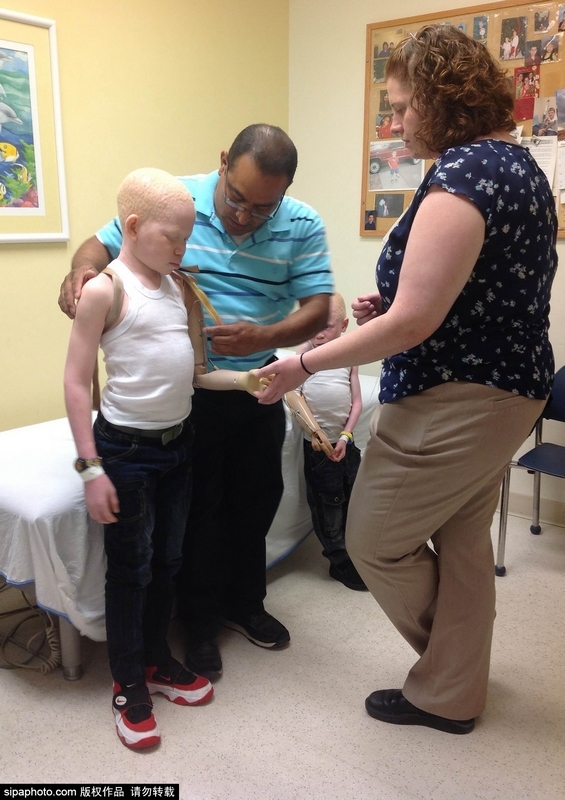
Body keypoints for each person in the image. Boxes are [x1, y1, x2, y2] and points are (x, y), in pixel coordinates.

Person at [254, 24, 557, 735]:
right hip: (508, 385)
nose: (394, 124)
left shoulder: (463, 175)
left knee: (373, 539)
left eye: (399, 107)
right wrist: (390, 305)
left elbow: (416, 322)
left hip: (459, 393)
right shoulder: (514, 165)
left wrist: (303, 362)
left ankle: (449, 677)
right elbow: (466, 293)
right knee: (461, 539)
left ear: (438, 99)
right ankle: (456, 689)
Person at [59, 124, 333, 682]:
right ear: (224, 162)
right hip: (187, 400)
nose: (243, 216)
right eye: (237, 198)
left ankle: (246, 604)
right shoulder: (174, 203)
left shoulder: (302, 224)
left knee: (258, 497)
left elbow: (319, 308)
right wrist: (79, 270)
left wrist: (263, 338)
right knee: (200, 512)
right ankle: (199, 623)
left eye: (262, 208)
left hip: (254, 382)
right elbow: (100, 243)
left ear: (284, 193)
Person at [64, 167, 273, 749]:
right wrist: (90, 469)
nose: (182, 250)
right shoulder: (105, 290)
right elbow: (77, 383)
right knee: (130, 570)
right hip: (126, 451)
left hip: (178, 445)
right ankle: (127, 682)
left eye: (186, 239)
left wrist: (247, 381)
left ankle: (156, 659)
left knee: (167, 562)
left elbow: (198, 374)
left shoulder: (180, 288)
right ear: (132, 227)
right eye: (172, 238)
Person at [289, 293, 366, 591]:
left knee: (353, 498)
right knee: (328, 504)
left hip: (346, 444)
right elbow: (293, 397)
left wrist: (346, 436)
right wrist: (316, 434)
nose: (318, 334)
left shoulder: (349, 357)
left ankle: (356, 552)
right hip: (319, 449)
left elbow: (356, 402)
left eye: (327, 327)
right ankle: (339, 559)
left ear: (344, 326)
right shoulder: (303, 356)